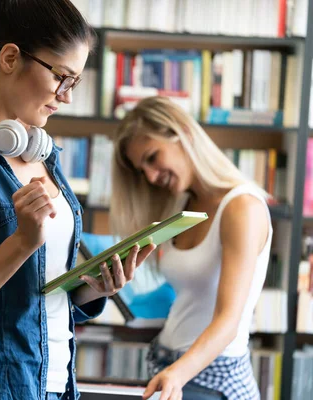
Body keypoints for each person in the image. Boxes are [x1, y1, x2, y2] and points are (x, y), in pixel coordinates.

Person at [0, 1, 156, 399]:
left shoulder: (44, 155)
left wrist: (95, 288)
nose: (66, 96)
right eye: (62, 77)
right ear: (9, 58)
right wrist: (21, 242)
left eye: (74, 82)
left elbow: (34, 300)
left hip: (54, 387)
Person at [111, 96, 271, 400]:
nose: (151, 177)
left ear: (182, 131)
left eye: (152, 157)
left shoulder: (242, 208)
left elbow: (229, 320)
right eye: (141, 170)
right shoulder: (183, 206)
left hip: (209, 378)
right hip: (170, 367)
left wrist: (178, 373)